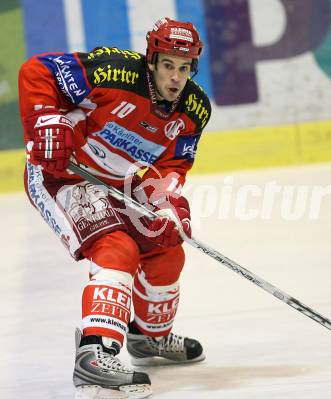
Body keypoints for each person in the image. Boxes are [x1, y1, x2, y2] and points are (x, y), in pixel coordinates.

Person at [18, 17, 211, 398]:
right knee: (116, 248)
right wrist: (46, 118)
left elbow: (171, 166)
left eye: (184, 68)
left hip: (119, 182)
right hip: (62, 174)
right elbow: (36, 70)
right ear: (152, 61)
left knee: (167, 247)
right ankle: (95, 354)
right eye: (168, 65)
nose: (176, 77)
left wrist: (168, 202)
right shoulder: (114, 72)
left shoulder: (194, 109)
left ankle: (148, 339)